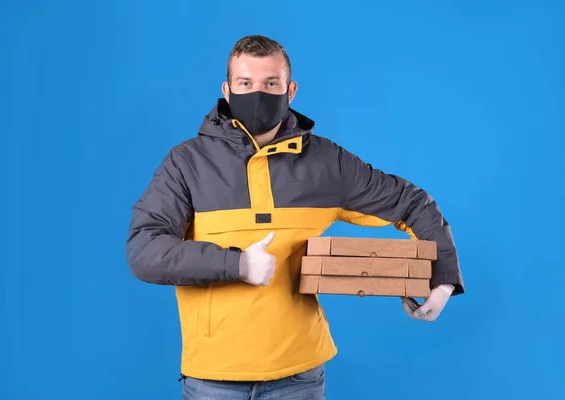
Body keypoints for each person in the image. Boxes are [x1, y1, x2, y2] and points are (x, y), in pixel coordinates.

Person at [125, 34, 465, 399]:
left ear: (291, 91)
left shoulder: (326, 163)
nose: (258, 94)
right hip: (212, 379)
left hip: (298, 379)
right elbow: (144, 250)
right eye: (245, 83)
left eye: (271, 83)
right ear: (226, 90)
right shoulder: (186, 163)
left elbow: (412, 204)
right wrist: (235, 265)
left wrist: (442, 279)